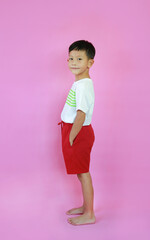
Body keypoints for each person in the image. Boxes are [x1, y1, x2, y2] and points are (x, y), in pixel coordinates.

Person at [59, 40, 96, 226]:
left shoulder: (84, 85)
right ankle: (85, 206)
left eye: (79, 58)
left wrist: (71, 137)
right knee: (81, 173)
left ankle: (89, 213)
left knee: (83, 173)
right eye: (71, 58)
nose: (73, 62)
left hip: (78, 132)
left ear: (90, 63)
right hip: (73, 131)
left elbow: (81, 114)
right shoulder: (80, 83)